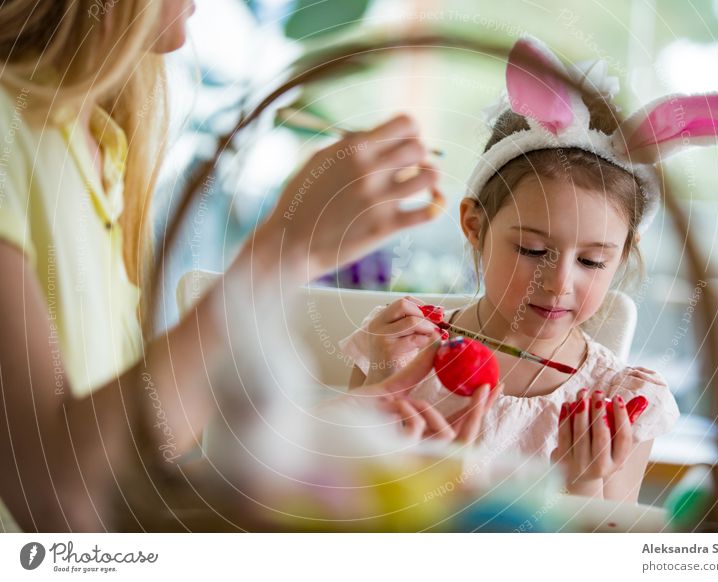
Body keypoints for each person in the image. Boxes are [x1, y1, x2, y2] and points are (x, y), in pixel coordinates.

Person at [0, 0, 445, 531]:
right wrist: (277, 253)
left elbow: (136, 449)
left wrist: (314, 430)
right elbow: (56, 494)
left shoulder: (97, 142)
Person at [342, 36, 718, 502]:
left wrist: (583, 482)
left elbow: (611, 547)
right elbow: (337, 500)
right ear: (473, 224)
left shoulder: (619, 405)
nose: (560, 282)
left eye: (592, 260)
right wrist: (384, 381)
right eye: (531, 249)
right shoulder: (402, 350)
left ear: (623, 254)